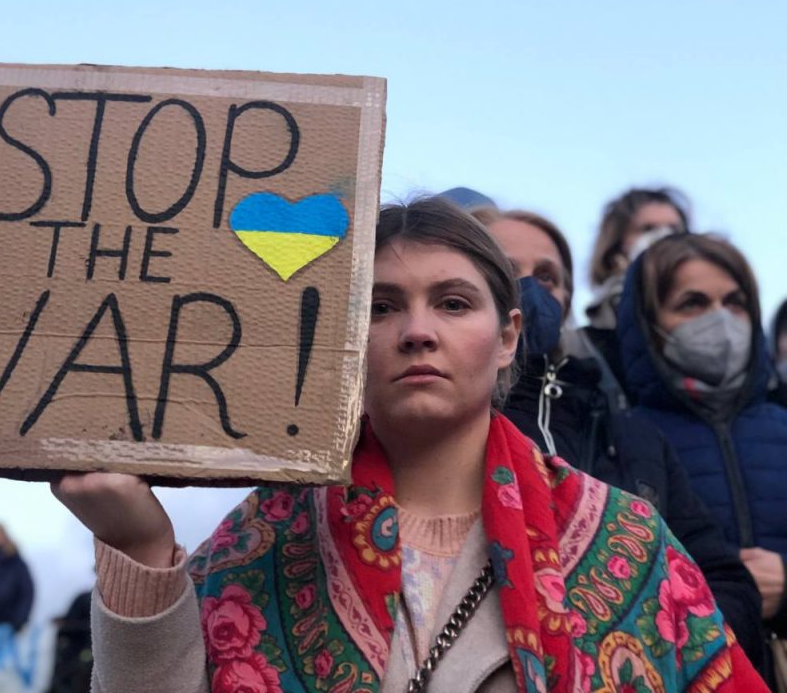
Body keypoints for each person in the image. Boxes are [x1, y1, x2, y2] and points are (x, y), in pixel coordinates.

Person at [53, 197, 765, 692]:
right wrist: (141, 555)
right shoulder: (262, 542)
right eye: (381, 307)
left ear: (509, 334)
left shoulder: (626, 541)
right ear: (342, 338)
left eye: (453, 303)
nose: (417, 331)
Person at [473, 206, 766, 669]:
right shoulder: (439, 426)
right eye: (507, 271)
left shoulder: (633, 436)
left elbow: (724, 580)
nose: (529, 289)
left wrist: (650, 659)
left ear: (567, 300)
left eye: (547, 276)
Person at [616, 233, 787, 655]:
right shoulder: (625, 440)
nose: (721, 319)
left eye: (735, 302)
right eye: (692, 303)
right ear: (648, 324)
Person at [576, 187, 690, 396]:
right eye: (647, 229)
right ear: (617, 246)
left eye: (674, 229)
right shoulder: (588, 340)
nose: (664, 237)